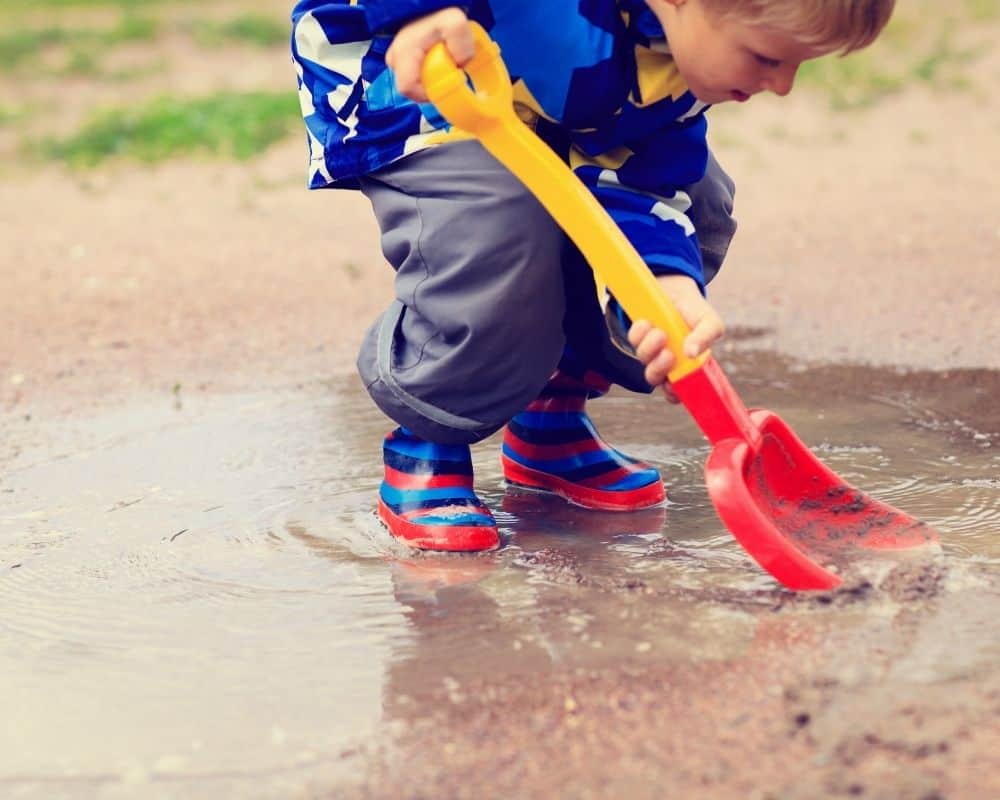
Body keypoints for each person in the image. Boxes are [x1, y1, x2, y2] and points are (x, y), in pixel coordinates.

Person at [290, 0, 895, 552]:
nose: (782, 87)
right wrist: (420, 11)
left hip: (562, 93)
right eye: (766, 58)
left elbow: (648, 181)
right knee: (496, 222)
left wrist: (667, 287)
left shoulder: (678, 55)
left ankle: (550, 413)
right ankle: (428, 441)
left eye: (797, 66)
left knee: (701, 203)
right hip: (414, 76)